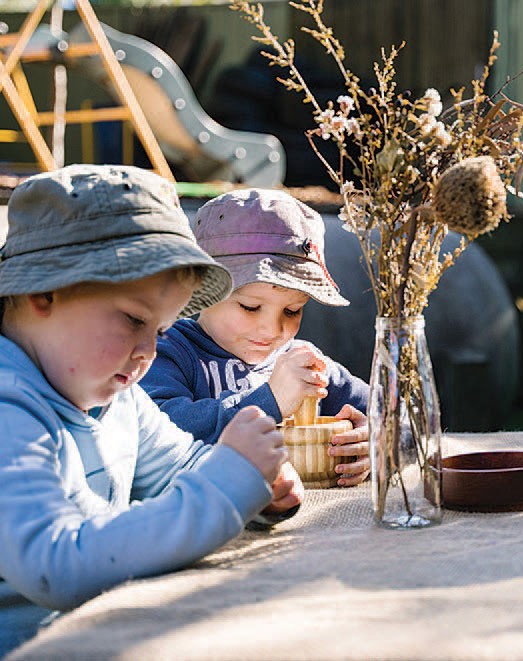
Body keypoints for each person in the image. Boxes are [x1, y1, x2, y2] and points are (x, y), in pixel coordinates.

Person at [0, 165, 302, 656]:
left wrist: (256, 485)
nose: (149, 351)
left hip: (105, 632)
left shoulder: (117, 393)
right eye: (133, 320)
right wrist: (225, 487)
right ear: (43, 293)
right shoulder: (9, 404)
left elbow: (179, 465)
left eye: (161, 331)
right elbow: (52, 563)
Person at [140, 188, 371, 487]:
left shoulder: (301, 363)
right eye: (250, 307)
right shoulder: (168, 350)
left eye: (292, 310)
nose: (272, 330)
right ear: (198, 288)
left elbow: (396, 418)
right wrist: (269, 401)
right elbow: (158, 431)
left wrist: (373, 441)